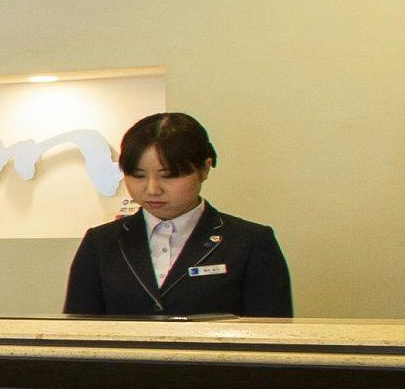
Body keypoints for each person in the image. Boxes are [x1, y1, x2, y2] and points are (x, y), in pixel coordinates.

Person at [62, 111, 292, 318]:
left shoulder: (250, 242)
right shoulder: (101, 243)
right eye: (138, 175)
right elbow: (77, 333)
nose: (152, 189)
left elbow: (273, 336)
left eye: (169, 176)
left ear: (204, 168)